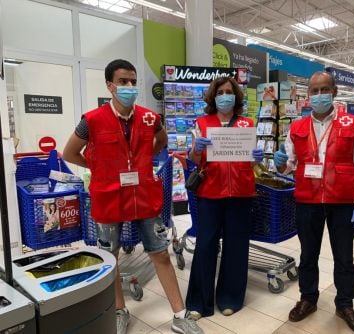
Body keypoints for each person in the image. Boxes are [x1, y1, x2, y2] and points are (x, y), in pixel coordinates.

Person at [63, 59, 203, 334]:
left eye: (133, 82)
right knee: (111, 258)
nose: (129, 87)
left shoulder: (151, 118)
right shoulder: (90, 121)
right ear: (110, 85)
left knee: (160, 254)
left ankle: (180, 314)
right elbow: (69, 153)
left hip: (144, 197)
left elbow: (161, 141)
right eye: (123, 81)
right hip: (108, 199)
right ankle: (119, 310)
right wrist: (99, 167)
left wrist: (146, 153)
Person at [273, 71, 354, 333]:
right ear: (308, 96)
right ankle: (308, 299)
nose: (319, 95)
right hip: (307, 199)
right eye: (314, 91)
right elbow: (290, 165)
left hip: (342, 200)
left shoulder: (352, 124)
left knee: (344, 256)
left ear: (334, 92)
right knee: (308, 254)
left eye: (324, 90)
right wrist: (281, 164)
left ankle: (345, 304)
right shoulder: (296, 127)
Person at [185, 76, 264, 320]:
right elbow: (195, 159)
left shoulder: (246, 124)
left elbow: (251, 162)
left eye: (229, 91)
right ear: (213, 96)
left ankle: (230, 297)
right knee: (205, 244)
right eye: (220, 92)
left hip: (241, 192)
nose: (225, 96)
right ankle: (199, 302)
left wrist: (257, 157)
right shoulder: (202, 123)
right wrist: (198, 149)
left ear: (236, 96)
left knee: (236, 246)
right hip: (210, 192)